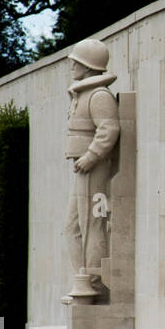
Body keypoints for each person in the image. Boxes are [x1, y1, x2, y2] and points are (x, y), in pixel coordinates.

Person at [62, 38, 119, 302]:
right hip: (82, 168)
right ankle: (82, 278)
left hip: (92, 168)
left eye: (76, 61)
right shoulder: (84, 94)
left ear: (88, 65)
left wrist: (91, 156)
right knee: (73, 226)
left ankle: (93, 282)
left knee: (91, 224)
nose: (72, 65)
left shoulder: (98, 95)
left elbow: (109, 129)